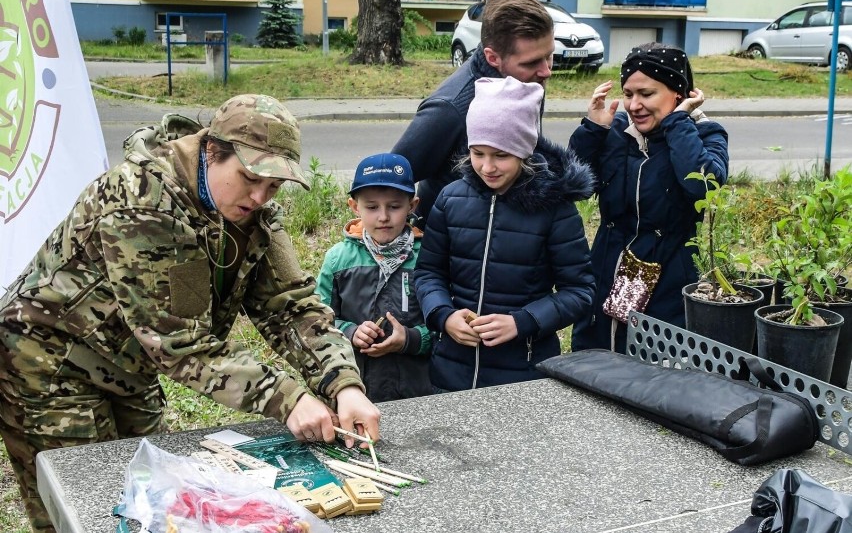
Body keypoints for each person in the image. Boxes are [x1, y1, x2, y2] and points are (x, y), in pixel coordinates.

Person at [0, 94, 380, 533]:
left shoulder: (250, 213)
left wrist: (343, 383)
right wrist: (287, 398)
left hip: (128, 366)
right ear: (212, 150)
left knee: (157, 499)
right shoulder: (141, 202)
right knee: (84, 511)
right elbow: (180, 345)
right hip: (48, 365)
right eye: (249, 178)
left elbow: (292, 307)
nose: (259, 197)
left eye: (273, 186)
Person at [413, 76, 596, 392]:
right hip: (451, 369)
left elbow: (579, 291)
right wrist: (443, 315)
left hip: (522, 373)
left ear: (524, 151)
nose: (487, 167)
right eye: (478, 153)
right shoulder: (450, 198)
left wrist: (521, 322)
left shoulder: (555, 210)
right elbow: (428, 273)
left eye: (501, 155)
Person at [569, 43, 730, 353]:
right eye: (629, 94)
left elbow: (703, 187)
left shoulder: (706, 134)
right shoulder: (614, 129)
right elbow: (574, 186)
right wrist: (592, 129)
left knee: (652, 375)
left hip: (669, 279)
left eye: (647, 94)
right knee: (594, 364)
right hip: (607, 271)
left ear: (678, 93)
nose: (634, 105)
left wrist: (678, 124)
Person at [392, 0, 554, 228]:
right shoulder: (451, 107)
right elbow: (391, 176)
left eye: (549, 56)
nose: (546, 71)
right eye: (531, 62)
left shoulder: (526, 82)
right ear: (492, 58)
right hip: (450, 250)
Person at [316, 153, 433, 403]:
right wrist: (350, 332)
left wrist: (410, 339)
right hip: (354, 391)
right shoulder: (338, 260)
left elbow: (443, 324)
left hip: (417, 391)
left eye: (394, 206)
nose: (383, 216)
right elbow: (318, 321)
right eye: (371, 207)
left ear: (412, 206)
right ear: (354, 206)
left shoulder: (428, 258)